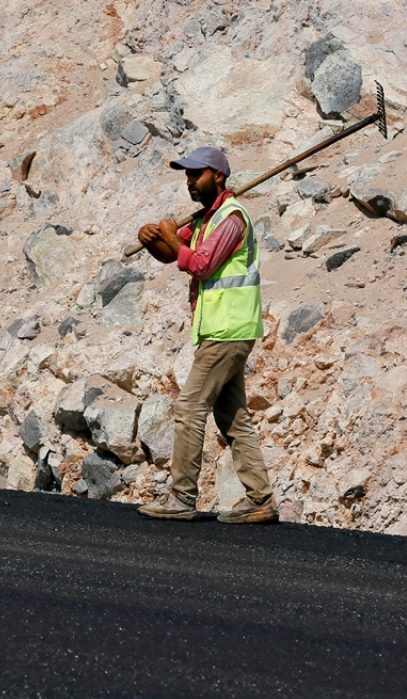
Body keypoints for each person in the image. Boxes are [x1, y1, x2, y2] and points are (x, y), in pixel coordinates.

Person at [135, 146, 277, 524]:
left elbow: (199, 264)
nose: (189, 183)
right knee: (232, 416)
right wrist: (151, 239)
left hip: (227, 331)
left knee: (189, 408)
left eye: (195, 175)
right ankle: (260, 499)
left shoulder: (231, 219)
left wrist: (171, 237)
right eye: (186, 176)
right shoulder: (204, 220)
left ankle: (182, 497)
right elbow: (172, 254)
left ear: (218, 176)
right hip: (222, 330)